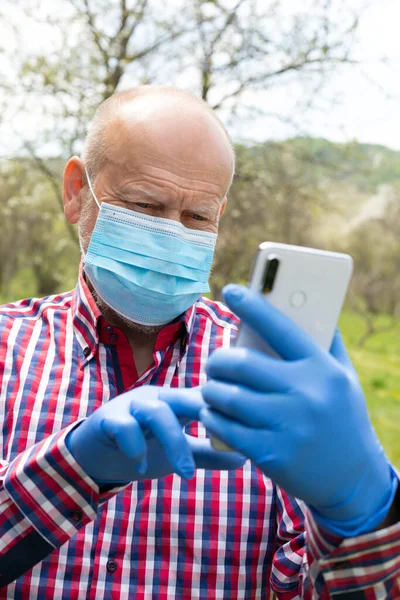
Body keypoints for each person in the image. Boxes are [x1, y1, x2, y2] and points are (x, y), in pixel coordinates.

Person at [0, 86, 398, 599]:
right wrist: (71, 469)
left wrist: (360, 519)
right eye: (144, 205)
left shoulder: (266, 376)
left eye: (197, 217)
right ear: (77, 191)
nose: (170, 236)